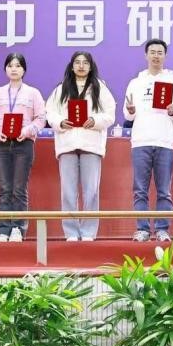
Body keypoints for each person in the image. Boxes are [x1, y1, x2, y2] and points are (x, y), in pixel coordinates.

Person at [46, 51, 116, 242]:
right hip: (67, 144)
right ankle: (70, 232)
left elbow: (110, 114)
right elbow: (50, 112)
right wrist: (60, 122)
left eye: (85, 62)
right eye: (77, 62)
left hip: (91, 144)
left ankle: (88, 232)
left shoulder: (99, 87)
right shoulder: (61, 88)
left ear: (91, 66)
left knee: (91, 191)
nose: (81, 66)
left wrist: (95, 120)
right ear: (71, 66)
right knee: (68, 192)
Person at [123, 38, 173, 243]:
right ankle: (142, 229)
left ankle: (162, 229)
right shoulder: (135, 83)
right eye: (152, 52)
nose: (156, 56)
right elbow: (128, 113)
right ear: (146, 55)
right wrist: (130, 111)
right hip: (141, 141)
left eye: (160, 52)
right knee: (140, 190)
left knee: (164, 190)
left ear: (165, 56)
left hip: (164, 142)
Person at [0, 52, 47, 243]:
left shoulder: (33, 93)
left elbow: (41, 118)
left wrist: (26, 131)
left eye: (18, 65)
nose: (14, 69)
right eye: (10, 65)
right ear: (5, 69)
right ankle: (3, 229)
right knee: (4, 188)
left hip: (23, 144)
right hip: (1, 144)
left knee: (19, 188)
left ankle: (18, 228)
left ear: (24, 70)